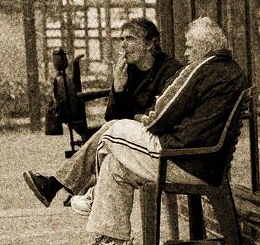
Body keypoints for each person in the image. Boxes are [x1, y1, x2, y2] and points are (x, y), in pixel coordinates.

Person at [80, 16, 248, 245]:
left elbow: (163, 116)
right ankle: (117, 243)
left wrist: (149, 120)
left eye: (190, 46)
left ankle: (91, 196)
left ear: (205, 46)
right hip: (198, 159)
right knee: (115, 166)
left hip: (182, 159)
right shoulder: (228, 70)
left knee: (113, 130)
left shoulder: (203, 69)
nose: (186, 52)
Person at [22, 18, 182, 211]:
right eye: (121, 39)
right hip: (127, 138)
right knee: (111, 141)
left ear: (150, 43)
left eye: (130, 39)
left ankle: (63, 186)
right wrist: (119, 87)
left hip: (157, 142)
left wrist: (130, 120)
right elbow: (112, 116)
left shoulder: (170, 71)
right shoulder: (128, 71)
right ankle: (95, 210)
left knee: (112, 133)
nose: (123, 45)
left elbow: (157, 117)